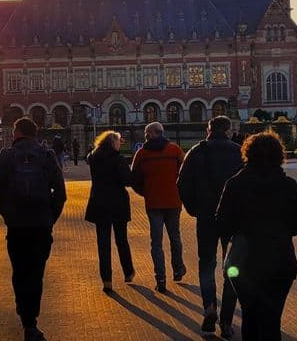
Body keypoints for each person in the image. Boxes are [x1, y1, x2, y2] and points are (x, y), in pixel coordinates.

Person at [216, 131, 297, 341]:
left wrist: (239, 231)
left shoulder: (234, 184)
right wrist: (282, 232)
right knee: (271, 319)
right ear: (279, 155)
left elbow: (221, 224)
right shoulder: (288, 185)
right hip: (280, 260)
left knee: (250, 315)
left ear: (247, 153)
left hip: (243, 261)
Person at [0, 117, 67, 341]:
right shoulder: (47, 155)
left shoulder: (6, 156)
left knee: (19, 270)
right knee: (36, 273)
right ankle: (31, 322)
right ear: (35, 134)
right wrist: (49, 218)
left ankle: (23, 311)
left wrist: (9, 215)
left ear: (16, 132)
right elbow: (60, 194)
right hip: (41, 225)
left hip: (17, 226)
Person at [178, 116, 242, 338]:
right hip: (233, 219)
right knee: (232, 267)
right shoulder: (238, 151)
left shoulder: (197, 151)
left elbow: (182, 183)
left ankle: (209, 307)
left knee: (206, 263)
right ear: (228, 130)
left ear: (209, 129)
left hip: (205, 216)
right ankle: (226, 321)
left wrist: (193, 208)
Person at [130, 121, 186, 292]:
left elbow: (134, 179)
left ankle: (160, 277)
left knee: (156, 241)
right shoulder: (175, 150)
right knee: (175, 237)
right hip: (173, 201)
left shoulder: (141, 153)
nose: (145, 135)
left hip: (153, 202)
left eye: (147, 133)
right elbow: (184, 174)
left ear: (153, 133)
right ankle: (177, 269)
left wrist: (145, 192)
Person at [85, 130, 135, 292]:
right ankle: (128, 272)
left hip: (99, 202)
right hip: (117, 203)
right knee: (121, 240)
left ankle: (107, 280)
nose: (120, 143)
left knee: (103, 243)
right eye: (119, 141)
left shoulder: (93, 158)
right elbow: (127, 180)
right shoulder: (118, 159)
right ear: (113, 142)